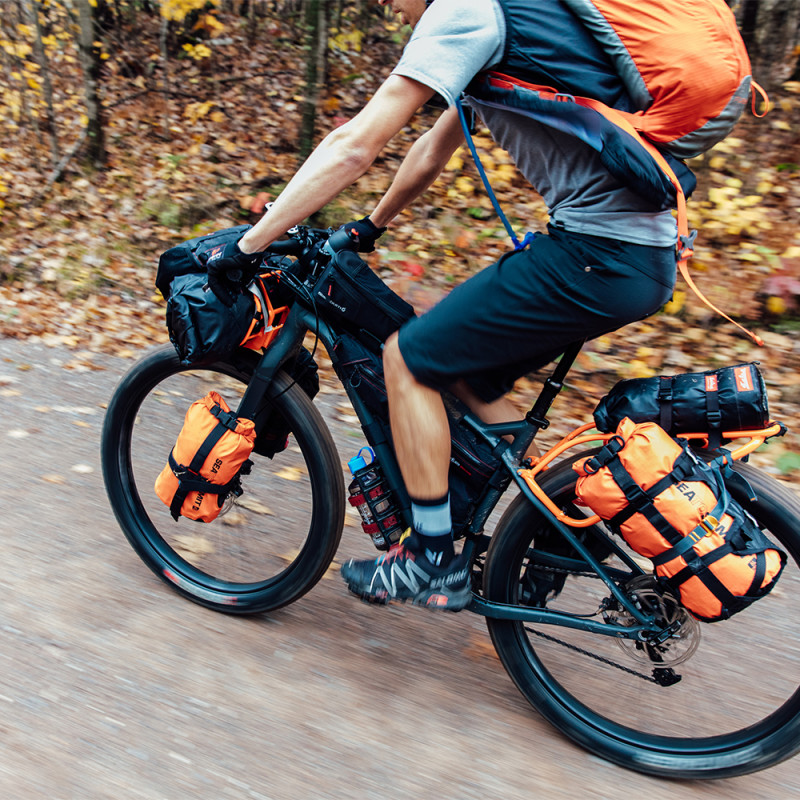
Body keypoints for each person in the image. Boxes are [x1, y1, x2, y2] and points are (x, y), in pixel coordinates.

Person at [206, 0, 679, 611]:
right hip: (633, 258)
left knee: (409, 359)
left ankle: (433, 560)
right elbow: (433, 147)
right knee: (466, 373)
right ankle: (548, 538)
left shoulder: (466, 11)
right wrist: (372, 226)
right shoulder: (512, 23)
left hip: (595, 252)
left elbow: (355, 146)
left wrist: (247, 245)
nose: (381, 5)